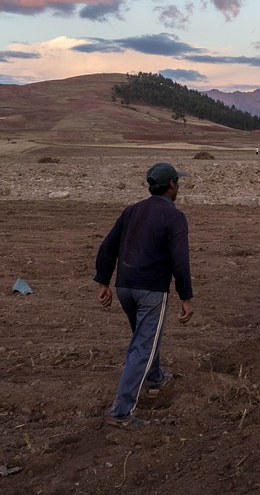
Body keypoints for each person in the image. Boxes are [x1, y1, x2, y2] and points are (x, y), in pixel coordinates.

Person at [93, 162, 194, 428]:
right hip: (151, 289)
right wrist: (186, 296)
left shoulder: (132, 210)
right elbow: (180, 261)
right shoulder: (174, 217)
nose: (178, 186)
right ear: (172, 184)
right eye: (177, 181)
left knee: (145, 337)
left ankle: (156, 379)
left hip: (125, 287)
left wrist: (103, 281)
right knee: (142, 346)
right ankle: (120, 412)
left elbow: (107, 246)